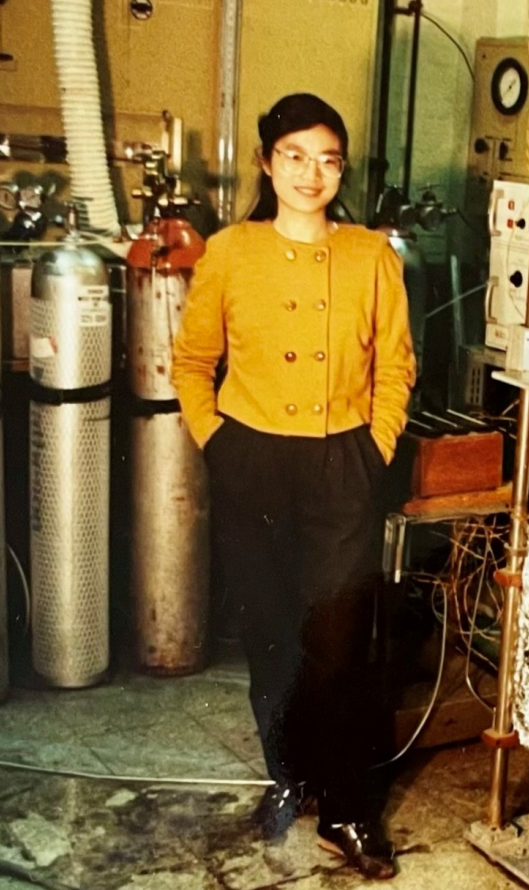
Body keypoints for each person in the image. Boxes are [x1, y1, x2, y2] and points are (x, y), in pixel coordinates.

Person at [172, 93, 415, 880]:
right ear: (270, 163)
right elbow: (190, 361)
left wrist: (372, 451)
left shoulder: (372, 256)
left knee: (338, 646)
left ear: (341, 169)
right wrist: (219, 442)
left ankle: (345, 810)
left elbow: (396, 367)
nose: (313, 174)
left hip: (340, 461)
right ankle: (291, 776)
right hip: (253, 461)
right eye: (296, 156)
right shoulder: (230, 252)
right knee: (270, 637)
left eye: (329, 159)